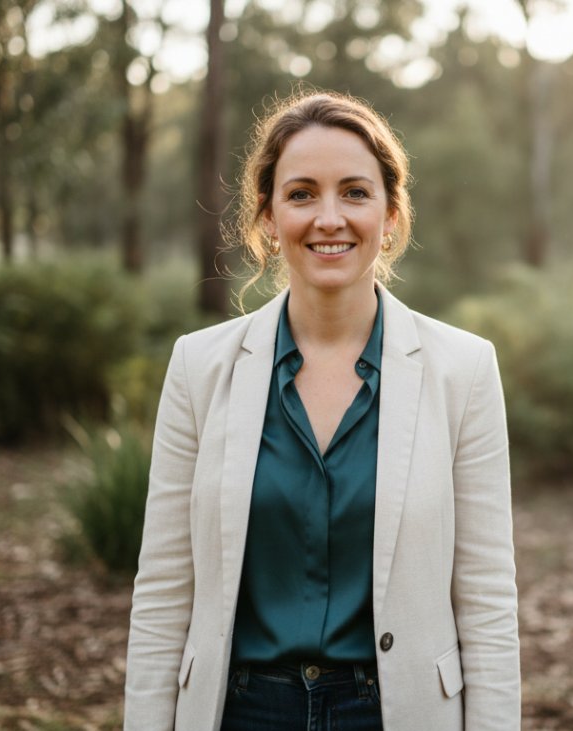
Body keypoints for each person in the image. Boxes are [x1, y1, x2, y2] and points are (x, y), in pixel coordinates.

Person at [123, 90, 520, 731]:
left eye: (355, 193)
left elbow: (486, 599)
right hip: (239, 712)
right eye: (302, 193)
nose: (328, 217)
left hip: (397, 712)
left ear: (391, 214)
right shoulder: (198, 367)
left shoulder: (464, 371)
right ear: (268, 219)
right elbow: (165, 592)